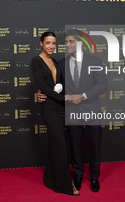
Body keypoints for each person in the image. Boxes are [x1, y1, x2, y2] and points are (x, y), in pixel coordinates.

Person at [38, 30, 108, 192]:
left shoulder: (95, 61)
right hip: (71, 111)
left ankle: (94, 177)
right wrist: (41, 92)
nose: (68, 45)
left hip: (92, 110)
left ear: (81, 44)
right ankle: (78, 174)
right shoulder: (60, 64)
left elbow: (103, 85)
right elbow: (55, 86)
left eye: (71, 42)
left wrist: (82, 96)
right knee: (75, 145)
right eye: (66, 42)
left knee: (95, 144)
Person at [31, 31, 80, 196]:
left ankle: (51, 177)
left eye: (53, 43)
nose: (51, 46)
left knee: (58, 144)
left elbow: (59, 84)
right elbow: (43, 87)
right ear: (41, 44)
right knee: (60, 145)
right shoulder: (36, 61)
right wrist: (62, 97)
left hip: (60, 106)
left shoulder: (54, 62)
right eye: (47, 43)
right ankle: (65, 184)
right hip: (49, 107)